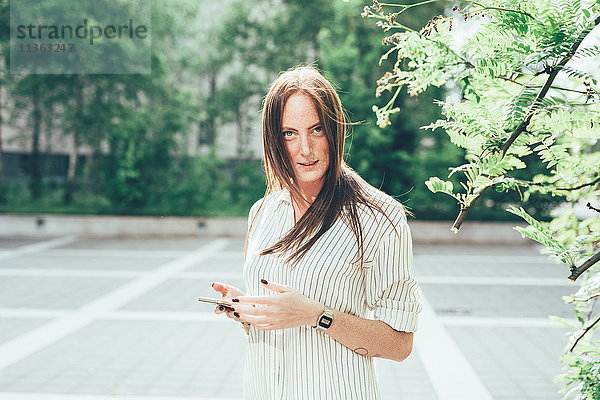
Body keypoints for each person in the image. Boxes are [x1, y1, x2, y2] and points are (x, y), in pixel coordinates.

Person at [211, 65, 421, 400]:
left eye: (317, 130)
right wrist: (247, 311)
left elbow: (399, 345)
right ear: (273, 140)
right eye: (289, 134)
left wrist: (316, 315)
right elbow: (275, 321)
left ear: (334, 132)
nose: (305, 150)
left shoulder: (381, 218)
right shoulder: (262, 212)